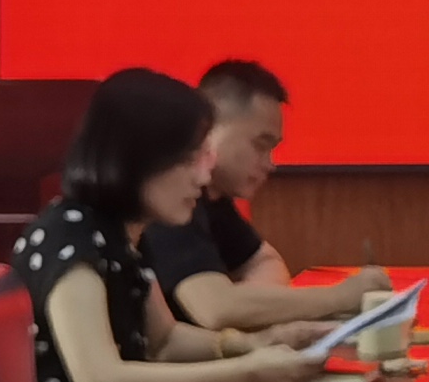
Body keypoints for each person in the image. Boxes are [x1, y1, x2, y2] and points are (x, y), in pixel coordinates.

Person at [4, 68, 321, 382]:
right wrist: (245, 372)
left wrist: (256, 343)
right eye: (188, 161)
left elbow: (166, 341)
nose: (202, 178)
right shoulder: (71, 235)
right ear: (137, 160)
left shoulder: (125, 234)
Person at [143, 58, 394, 337]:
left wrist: (250, 307)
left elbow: (266, 262)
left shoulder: (213, 198)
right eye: (260, 146)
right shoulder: (169, 195)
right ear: (208, 129)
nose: (270, 164)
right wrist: (341, 297)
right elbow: (215, 309)